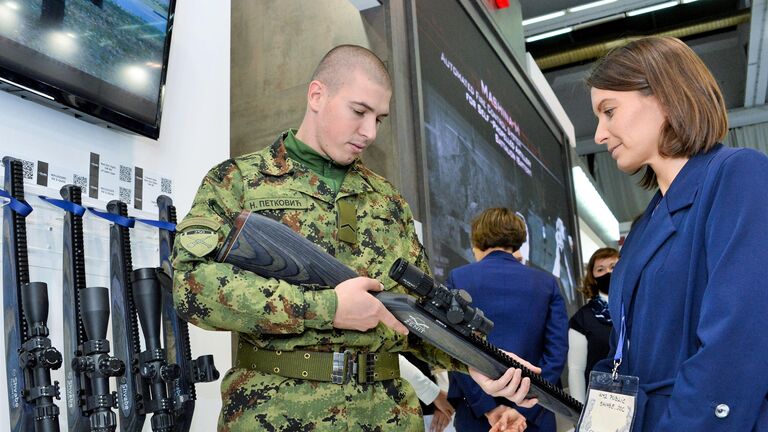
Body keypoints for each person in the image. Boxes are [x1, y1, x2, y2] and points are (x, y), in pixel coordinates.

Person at [172, 44, 531, 431]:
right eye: (359, 112)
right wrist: (326, 307)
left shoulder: (390, 202)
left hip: (386, 416)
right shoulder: (237, 181)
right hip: (273, 413)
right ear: (317, 95)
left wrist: (477, 362)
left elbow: (413, 319)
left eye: (379, 118)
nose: (370, 132)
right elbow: (192, 288)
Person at [585, 36, 768, 430]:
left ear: (664, 97)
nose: (599, 135)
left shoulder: (738, 175)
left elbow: (737, 342)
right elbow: (626, 354)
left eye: (609, 111)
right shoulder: (643, 227)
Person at [445, 208, 569, 432]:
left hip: (477, 416)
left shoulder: (458, 278)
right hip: (534, 416)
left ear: (477, 239)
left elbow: (454, 349)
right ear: (519, 239)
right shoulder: (547, 283)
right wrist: (524, 410)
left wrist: (488, 408)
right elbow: (556, 354)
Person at [567, 247, 619, 402]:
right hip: (602, 401)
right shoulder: (583, 318)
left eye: (613, 267)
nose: (608, 273)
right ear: (592, 277)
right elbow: (576, 369)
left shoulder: (639, 310)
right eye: (600, 269)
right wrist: (578, 411)